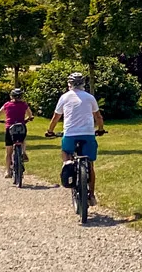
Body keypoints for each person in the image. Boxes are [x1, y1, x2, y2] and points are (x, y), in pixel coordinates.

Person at [45, 70, 106, 201]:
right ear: (83, 84)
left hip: (70, 134)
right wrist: (100, 129)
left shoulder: (64, 97)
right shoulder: (90, 97)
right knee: (90, 164)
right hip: (88, 134)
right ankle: (91, 195)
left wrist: (50, 130)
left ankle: (67, 164)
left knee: (65, 151)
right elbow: (98, 116)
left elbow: (56, 117)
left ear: (69, 84)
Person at [0, 85, 32, 178]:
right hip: (21, 127)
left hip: (10, 128)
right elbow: (30, 115)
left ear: (11, 96)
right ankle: (23, 152)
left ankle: (8, 171)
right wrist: (28, 119)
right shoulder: (24, 105)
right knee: (22, 139)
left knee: (9, 151)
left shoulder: (7, 105)